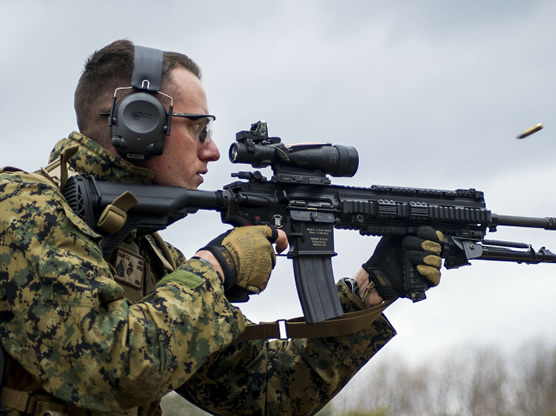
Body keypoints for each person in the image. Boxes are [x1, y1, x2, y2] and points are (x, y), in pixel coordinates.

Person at [0, 39, 444, 416]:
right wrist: (216, 268)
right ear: (139, 123)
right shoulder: (22, 207)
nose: (212, 151)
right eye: (198, 129)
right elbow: (111, 367)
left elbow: (266, 391)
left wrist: (371, 290)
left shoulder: (144, 252)